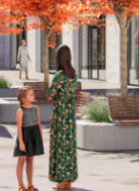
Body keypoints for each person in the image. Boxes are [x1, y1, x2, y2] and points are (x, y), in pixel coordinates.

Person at [48, 45, 79, 190]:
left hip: (60, 112)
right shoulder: (74, 73)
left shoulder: (59, 75)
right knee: (69, 145)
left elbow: (50, 94)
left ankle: (61, 180)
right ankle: (68, 179)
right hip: (70, 113)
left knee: (59, 144)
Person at [14, 86, 44, 191]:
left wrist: (40, 138)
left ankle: (30, 184)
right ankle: (20, 185)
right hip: (24, 137)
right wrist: (21, 142)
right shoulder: (20, 111)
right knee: (21, 160)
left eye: (33, 94)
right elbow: (19, 128)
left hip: (33, 136)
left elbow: (38, 123)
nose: (33, 96)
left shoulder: (36, 108)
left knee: (30, 160)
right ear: (24, 99)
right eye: (31, 95)